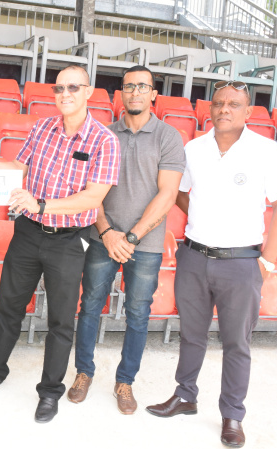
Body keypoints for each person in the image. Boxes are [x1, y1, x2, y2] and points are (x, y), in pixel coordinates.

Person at [146, 80, 277, 448]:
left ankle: (232, 414)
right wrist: (198, 213)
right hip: (195, 257)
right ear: (209, 110)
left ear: (248, 112)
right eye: (218, 103)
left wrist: (268, 262)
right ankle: (185, 396)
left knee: (236, 343)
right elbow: (178, 191)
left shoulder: (266, 150)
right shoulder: (194, 148)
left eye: (233, 104)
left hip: (242, 262)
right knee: (191, 335)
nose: (224, 109)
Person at [0, 65, 120, 423]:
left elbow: (93, 197)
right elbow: (19, 169)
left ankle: (50, 391)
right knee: (9, 307)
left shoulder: (103, 140)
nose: (64, 94)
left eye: (72, 87)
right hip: (28, 232)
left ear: (89, 92)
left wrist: (43, 205)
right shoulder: (43, 127)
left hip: (69, 240)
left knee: (61, 321)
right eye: (58, 88)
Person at [69, 65, 185, 414]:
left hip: (144, 245)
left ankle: (125, 381)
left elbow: (167, 195)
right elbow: (89, 191)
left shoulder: (168, 137)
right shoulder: (103, 134)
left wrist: (132, 236)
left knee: (137, 313)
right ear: (120, 94)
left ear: (153, 94)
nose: (134, 92)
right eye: (128, 86)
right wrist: (107, 232)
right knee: (89, 306)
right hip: (102, 237)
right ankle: (83, 374)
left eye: (142, 86)